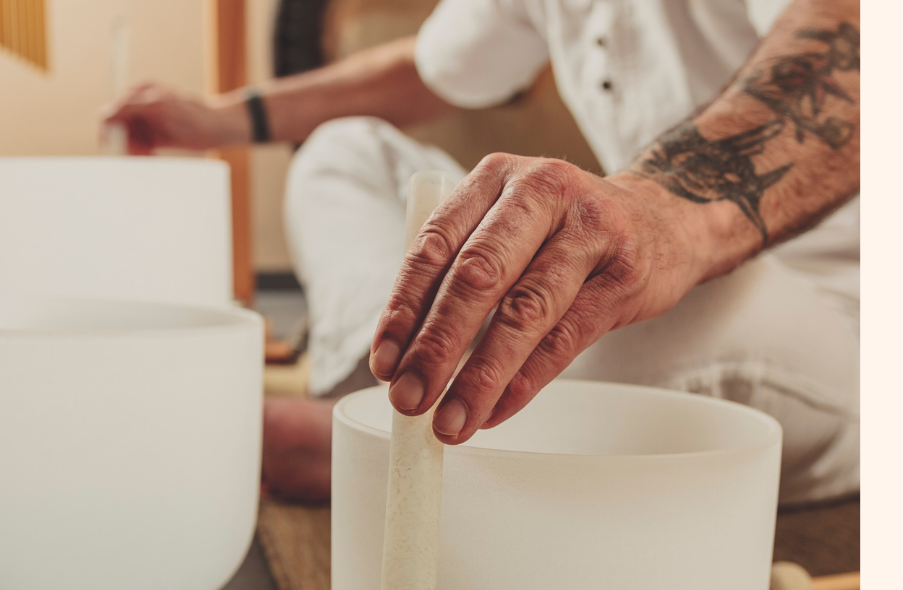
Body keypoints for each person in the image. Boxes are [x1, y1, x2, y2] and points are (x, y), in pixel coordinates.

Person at [103, 0, 859, 506]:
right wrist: (221, 120)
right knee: (345, 153)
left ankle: (386, 437)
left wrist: (664, 213)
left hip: (833, 317)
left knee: (672, 296)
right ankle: (370, 403)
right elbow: (431, 71)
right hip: (657, 250)